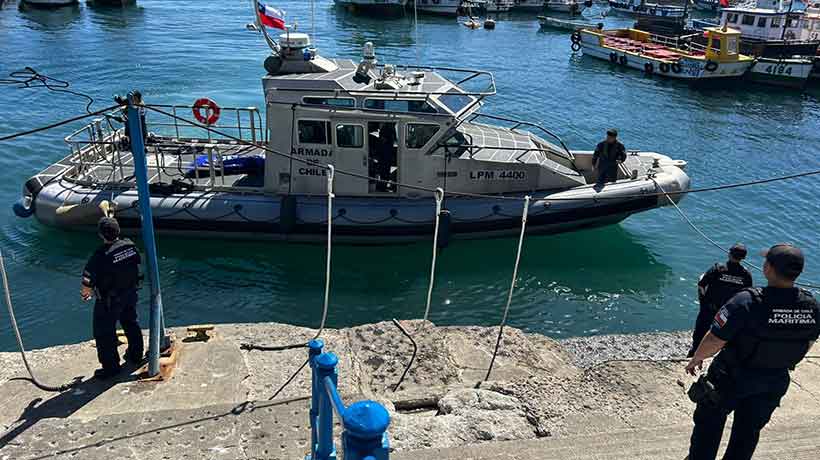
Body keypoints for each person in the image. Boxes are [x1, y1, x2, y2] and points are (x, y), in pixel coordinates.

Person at [685, 243, 820, 460]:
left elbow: (715, 338)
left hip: (731, 376)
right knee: (748, 432)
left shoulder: (747, 301)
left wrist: (697, 358)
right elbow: (808, 342)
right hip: (774, 380)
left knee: (708, 424)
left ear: (768, 269)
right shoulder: (812, 306)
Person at [81, 216, 144, 379]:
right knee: (131, 323)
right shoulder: (130, 246)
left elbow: (87, 282)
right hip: (130, 294)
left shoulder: (100, 256)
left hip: (109, 301)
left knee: (104, 333)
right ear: (118, 231)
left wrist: (86, 293)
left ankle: (111, 368)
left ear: (101, 235)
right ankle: (136, 355)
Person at [689, 244, 753, 357]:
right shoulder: (746, 274)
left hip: (710, 308)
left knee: (701, 331)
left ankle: (694, 353)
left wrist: (703, 302)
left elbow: (702, 284)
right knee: (724, 334)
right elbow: (746, 295)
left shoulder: (718, 268)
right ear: (743, 258)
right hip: (728, 312)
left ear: (729, 254)